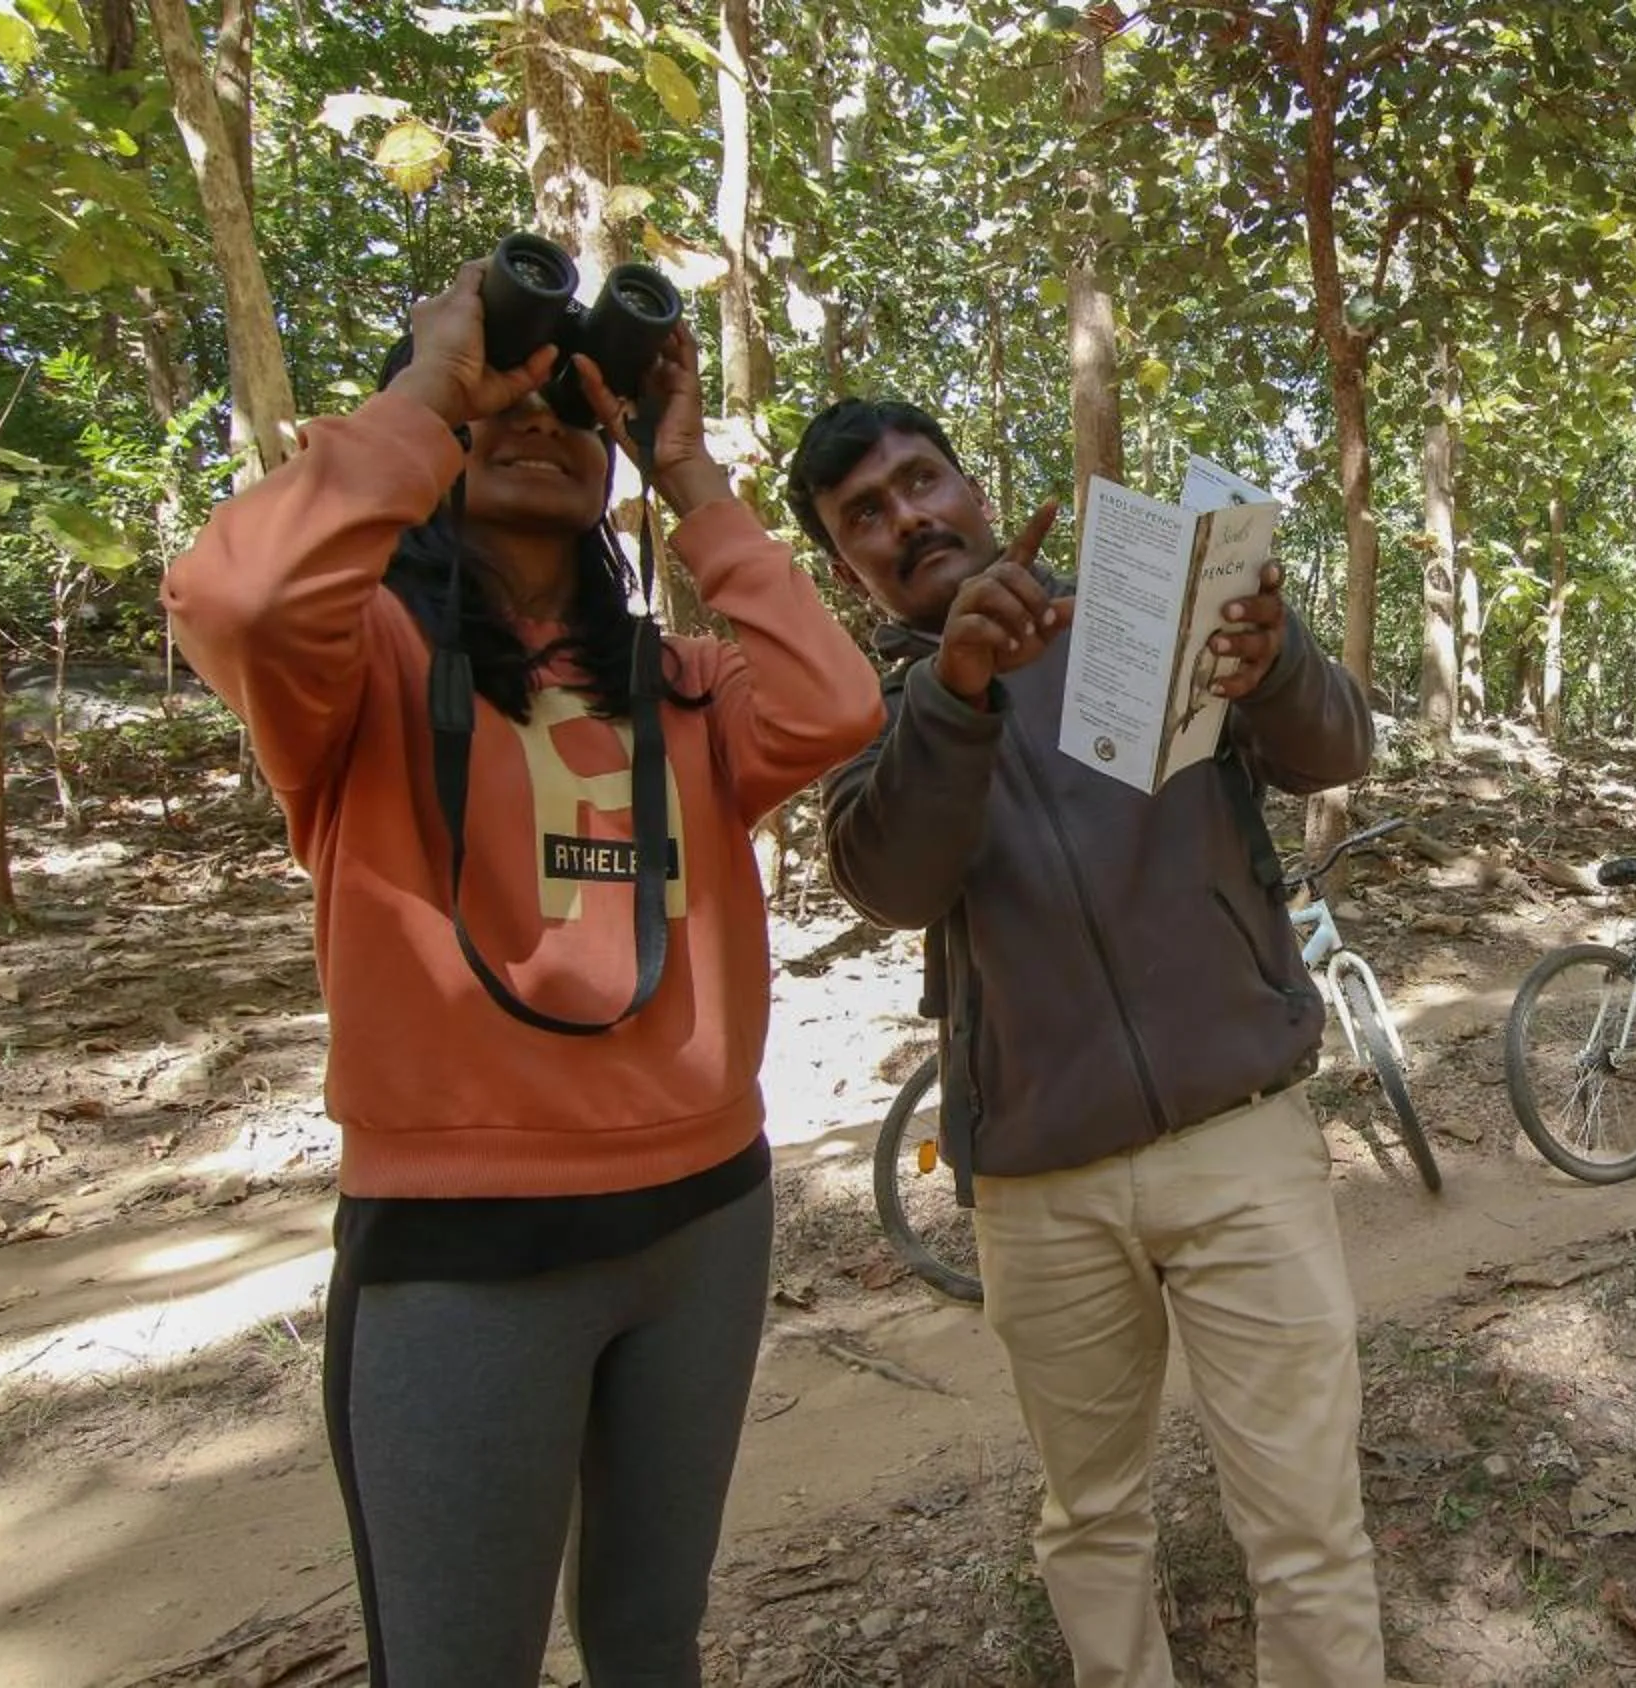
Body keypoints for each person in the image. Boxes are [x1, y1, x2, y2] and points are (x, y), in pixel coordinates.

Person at [164, 260, 884, 1685]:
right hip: (465, 1248)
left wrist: (689, 477)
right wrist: (433, 387)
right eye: (507, 397)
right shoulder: (359, 668)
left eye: (572, 400)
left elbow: (838, 702)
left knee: (647, 1640)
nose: (537, 418)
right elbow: (234, 601)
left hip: (705, 1218)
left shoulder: (681, 685)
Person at [797, 399, 1387, 1688]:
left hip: (1241, 1138)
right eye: (866, 517)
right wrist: (954, 691)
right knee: (1094, 1519)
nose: (907, 520)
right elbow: (889, 881)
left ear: (972, 485)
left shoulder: (1146, 607)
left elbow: (1338, 744)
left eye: (919, 482)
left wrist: (1273, 660)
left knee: (1306, 1527)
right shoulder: (869, 714)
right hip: (1041, 1184)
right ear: (848, 568)